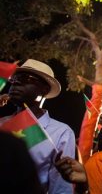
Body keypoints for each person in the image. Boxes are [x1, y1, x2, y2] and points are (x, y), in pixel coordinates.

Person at [0, 59, 76, 194]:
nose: (16, 82)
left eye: (26, 79)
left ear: (44, 90)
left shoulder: (61, 132)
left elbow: (61, 187)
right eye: (14, 78)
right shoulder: (1, 123)